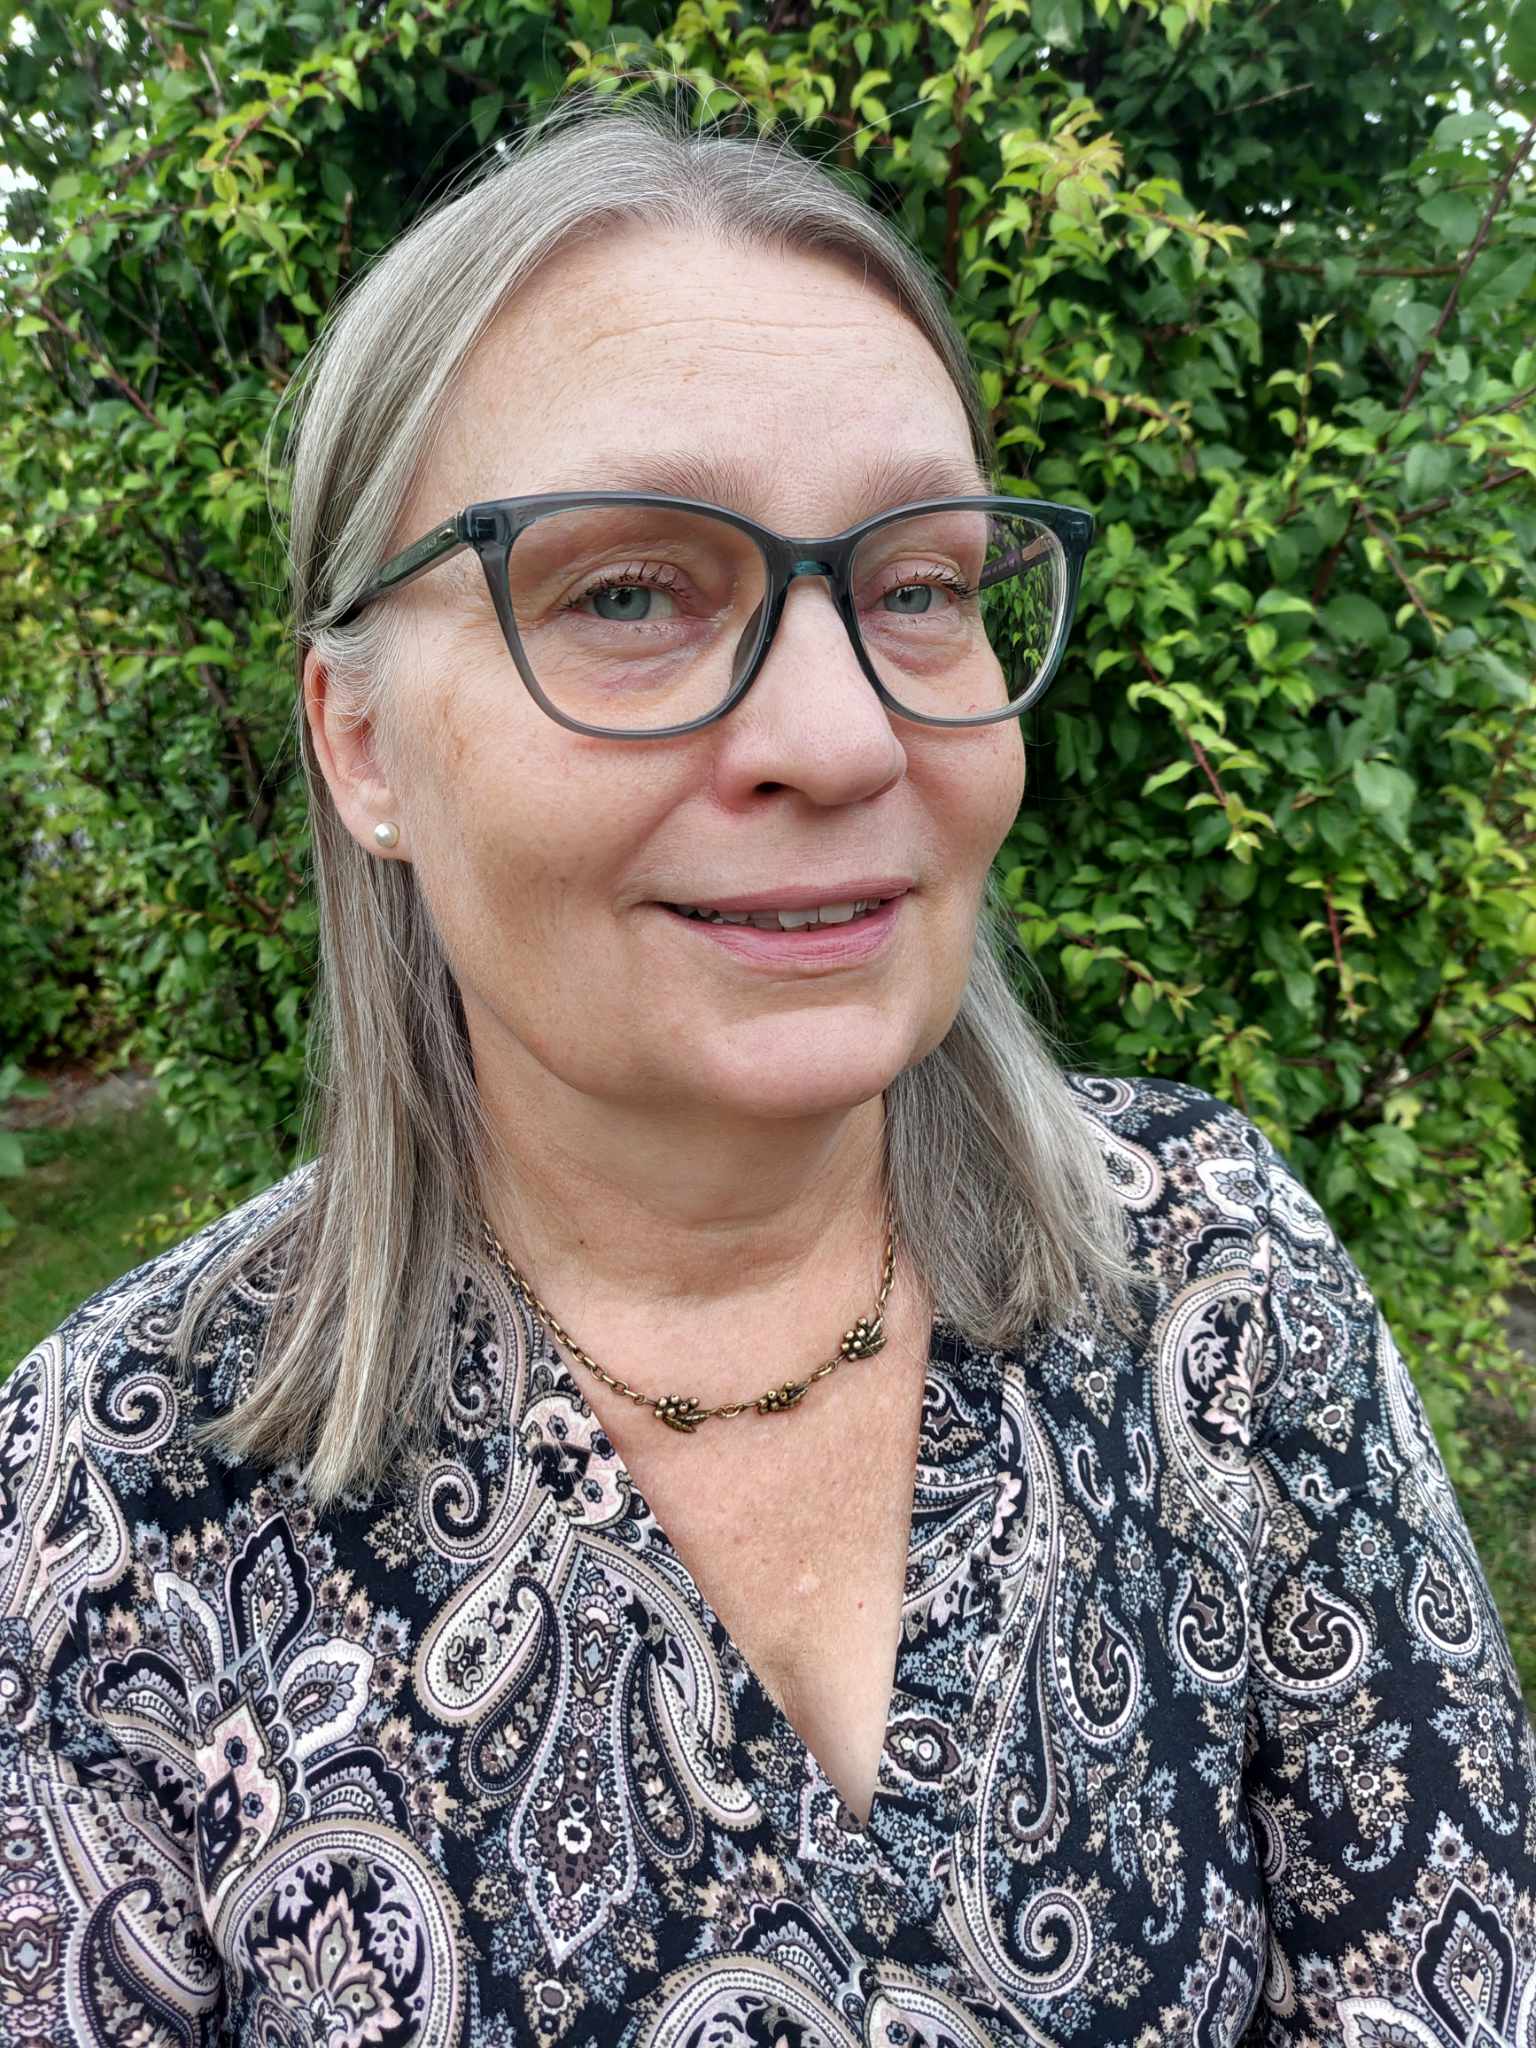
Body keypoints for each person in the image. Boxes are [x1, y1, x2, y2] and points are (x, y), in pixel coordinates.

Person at [1, 93, 1531, 2048]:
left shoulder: (1218, 1287)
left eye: (921, 588)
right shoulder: (103, 1524)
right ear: (361, 741)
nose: (845, 736)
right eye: (628, 593)